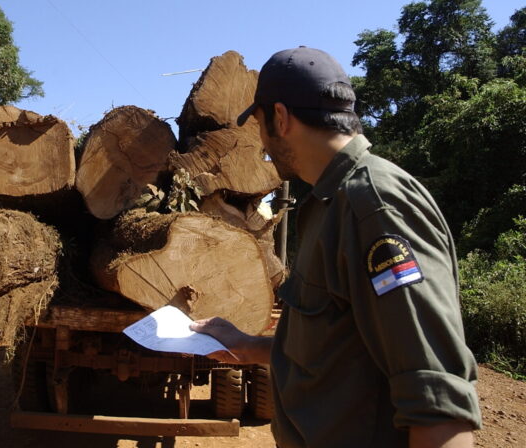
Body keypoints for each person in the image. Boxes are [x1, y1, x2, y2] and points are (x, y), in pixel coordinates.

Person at [190, 47, 481, 448]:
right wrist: (250, 346)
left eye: (258, 124)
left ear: (280, 117)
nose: (261, 144)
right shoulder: (330, 203)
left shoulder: (375, 206)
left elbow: (438, 402)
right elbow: (343, 349)